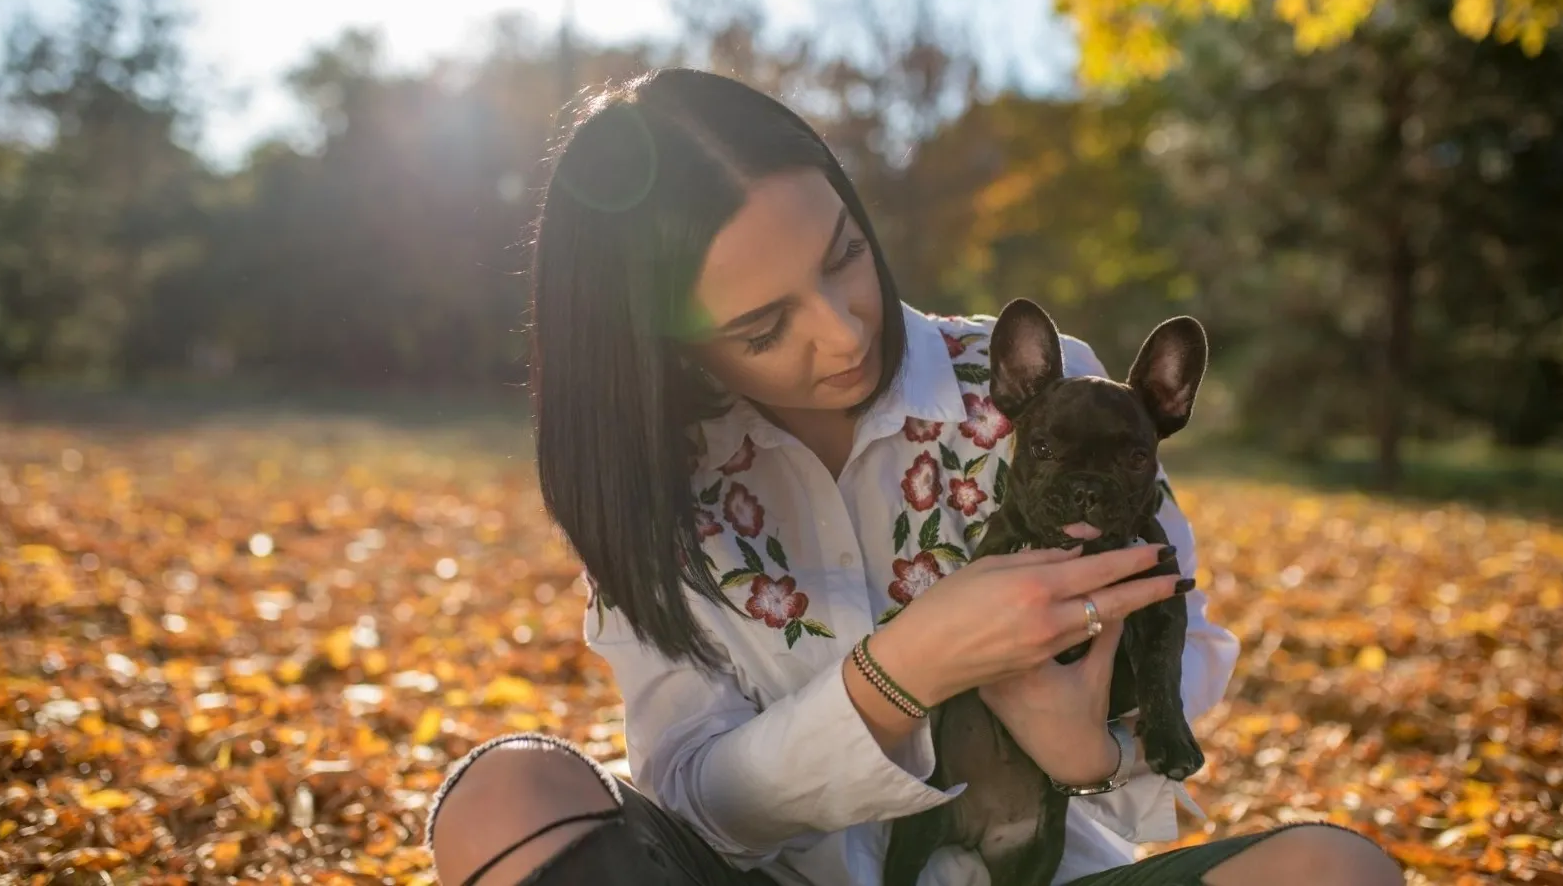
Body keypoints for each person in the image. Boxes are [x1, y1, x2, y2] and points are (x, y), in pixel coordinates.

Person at [425, 68, 1402, 886]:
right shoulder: (655, 488)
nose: (844, 330)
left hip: (1032, 871)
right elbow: (693, 794)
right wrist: (900, 676)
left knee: (1333, 870)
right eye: (761, 328)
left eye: (844, 256)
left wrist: (1083, 744)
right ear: (666, 353)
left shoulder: (1041, 391)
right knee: (508, 795)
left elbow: (1171, 646)